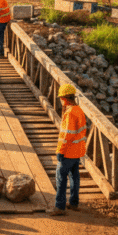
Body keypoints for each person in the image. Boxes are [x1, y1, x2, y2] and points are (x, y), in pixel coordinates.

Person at [50, 83, 87, 216]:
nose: (60, 100)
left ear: (65, 99)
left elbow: (67, 135)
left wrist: (61, 151)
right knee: (74, 177)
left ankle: (59, 207)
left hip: (68, 152)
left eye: (61, 98)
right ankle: (73, 203)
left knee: (61, 178)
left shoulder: (70, 113)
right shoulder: (79, 110)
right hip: (78, 151)